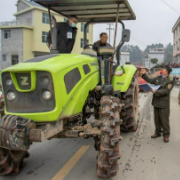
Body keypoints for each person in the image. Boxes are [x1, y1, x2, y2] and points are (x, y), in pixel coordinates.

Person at [141, 65, 173, 143]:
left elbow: (166, 91)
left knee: (164, 120)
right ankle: (157, 132)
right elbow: (150, 80)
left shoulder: (169, 80)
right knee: (157, 119)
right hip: (156, 101)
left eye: (163, 69)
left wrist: (156, 92)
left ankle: (166, 135)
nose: (162, 70)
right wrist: (144, 74)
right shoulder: (158, 78)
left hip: (164, 102)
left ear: (167, 71)